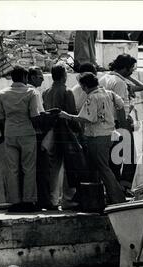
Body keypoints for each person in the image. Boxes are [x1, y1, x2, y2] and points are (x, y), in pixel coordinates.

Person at [59, 72, 126, 204]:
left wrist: (67, 116)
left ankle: (117, 198)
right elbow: (121, 104)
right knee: (98, 168)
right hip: (108, 134)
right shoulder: (108, 93)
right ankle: (100, 198)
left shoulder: (92, 97)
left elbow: (87, 118)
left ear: (84, 85)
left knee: (102, 168)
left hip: (97, 136)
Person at [0, 65, 42, 212]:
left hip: (10, 133)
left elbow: (0, 118)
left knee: (12, 169)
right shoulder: (31, 92)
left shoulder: (3, 93)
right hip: (27, 133)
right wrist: (39, 131)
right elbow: (34, 115)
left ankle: (14, 202)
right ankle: (28, 201)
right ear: (25, 77)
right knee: (28, 168)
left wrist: (3, 134)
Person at [100, 54, 143, 193]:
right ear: (125, 68)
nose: (132, 71)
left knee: (114, 157)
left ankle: (114, 187)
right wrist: (124, 126)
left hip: (107, 123)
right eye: (131, 68)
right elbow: (119, 106)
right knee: (129, 157)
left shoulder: (104, 78)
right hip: (120, 122)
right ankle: (123, 187)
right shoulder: (119, 83)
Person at [42, 64, 84, 209]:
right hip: (65, 132)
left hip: (50, 132)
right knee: (70, 166)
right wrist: (79, 131)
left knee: (53, 167)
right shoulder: (67, 92)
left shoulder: (46, 92)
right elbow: (71, 114)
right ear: (64, 75)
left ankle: (52, 200)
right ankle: (68, 199)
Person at [27, 66, 54, 210]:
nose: (43, 79)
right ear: (31, 77)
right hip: (37, 135)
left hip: (24, 135)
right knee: (43, 169)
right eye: (39, 76)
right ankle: (44, 200)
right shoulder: (34, 93)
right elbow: (39, 116)